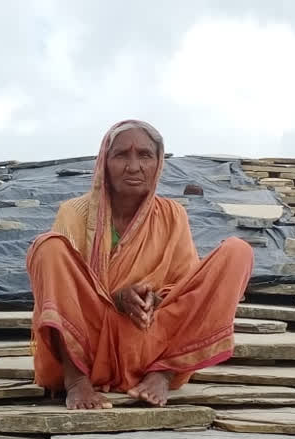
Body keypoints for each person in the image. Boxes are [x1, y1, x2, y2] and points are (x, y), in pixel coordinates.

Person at [26, 120, 254, 409]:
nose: (133, 166)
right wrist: (118, 296)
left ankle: (163, 374)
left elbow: (183, 289)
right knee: (49, 246)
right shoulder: (74, 212)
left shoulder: (173, 214)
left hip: (149, 343)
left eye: (145, 155)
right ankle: (76, 382)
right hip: (89, 347)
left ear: (158, 163)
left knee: (238, 251)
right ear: (104, 162)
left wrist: (151, 298)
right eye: (121, 155)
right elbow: (68, 291)